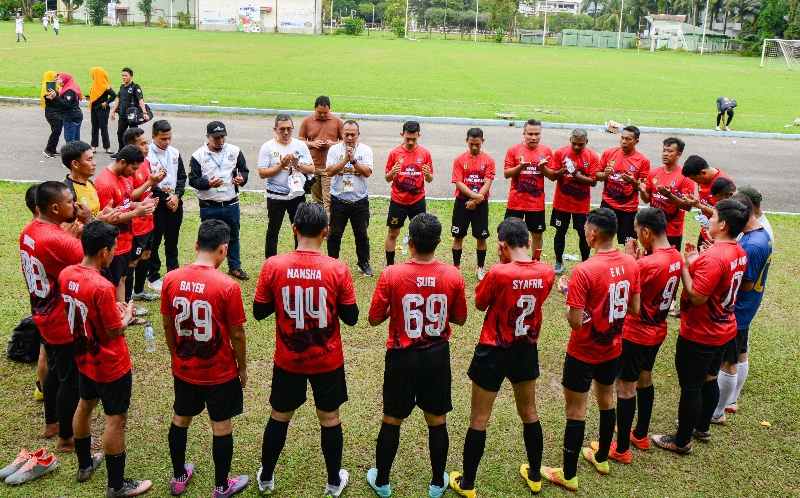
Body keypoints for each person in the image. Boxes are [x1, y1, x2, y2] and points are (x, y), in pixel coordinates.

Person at [253, 203, 358, 497]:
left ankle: (266, 478)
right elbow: (351, 318)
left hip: (289, 359)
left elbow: (259, 311)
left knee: (279, 415)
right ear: (326, 231)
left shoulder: (273, 265)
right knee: (330, 418)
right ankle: (334, 482)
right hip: (327, 359)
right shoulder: (337, 268)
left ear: (294, 229)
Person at [449, 218, 555, 497]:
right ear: (529, 242)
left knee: (479, 418)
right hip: (525, 348)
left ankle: (468, 483)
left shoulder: (498, 272)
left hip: (493, 349)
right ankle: (535, 475)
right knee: (530, 412)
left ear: (501, 246)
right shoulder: (546, 272)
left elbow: (481, 303)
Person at [367, 213, 467, 498]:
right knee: (437, 420)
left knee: (391, 418)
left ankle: (383, 480)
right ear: (438, 243)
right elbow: (460, 318)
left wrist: (395, 307)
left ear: (409, 242)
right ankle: (437, 482)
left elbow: (374, 319)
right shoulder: (452, 275)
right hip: (436, 355)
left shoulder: (392, 274)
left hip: (401, 356)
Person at [541, 208, 640, 492]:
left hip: (583, 351)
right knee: (607, 398)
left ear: (593, 234)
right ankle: (601, 457)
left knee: (576, 409)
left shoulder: (585, 270)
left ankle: (568, 474)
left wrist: (568, 295)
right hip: (614, 347)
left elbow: (576, 322)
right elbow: (633, 308)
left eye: (586, 228)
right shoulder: (630, 263)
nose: (584, 231)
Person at [61, 220, 152, 497]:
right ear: (103, 252)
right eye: (113, 249)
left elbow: (89, 310)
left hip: (84, 355)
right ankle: (116, 485)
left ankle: (85, 465)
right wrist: (126, 315)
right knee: (116, 419)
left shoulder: (66, 274)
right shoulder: (101, 285)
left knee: (85, 404)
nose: (114, 253)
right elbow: (114, 330)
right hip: (110, 363)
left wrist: (113, 309)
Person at [652, 198, 749, 453]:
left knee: (691, 386)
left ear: (724, 224)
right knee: (709, 378)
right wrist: (698, 259)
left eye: (713, 217)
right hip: (724, 328)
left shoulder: (715, 257)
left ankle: (681, 440)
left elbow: (697, 296)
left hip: (701, 332)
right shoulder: (738, 251)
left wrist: (686, 266)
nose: (709, 220)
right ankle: (703, 426)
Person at [161, 220, 249, 497]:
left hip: (185, 366)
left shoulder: (171, 278)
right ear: (223, 250)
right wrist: (242, 367)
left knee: (180, 418)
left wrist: (175, 354)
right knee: (221, 425)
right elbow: (237, 334)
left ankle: (178, 477)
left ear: (197, 244)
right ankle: (222, 485)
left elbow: (166, 323)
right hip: (219, 371)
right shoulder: (227, 286)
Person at [604, 208, 682, 463]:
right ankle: (640, 433)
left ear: (646, 231)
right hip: (657, 330)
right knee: (645, 379)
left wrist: (631, 261)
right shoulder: (675, 257)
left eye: (638, 231)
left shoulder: (646, 264)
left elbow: (624, 292)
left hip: (636, 333)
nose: (636, 236)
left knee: (625, 388)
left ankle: (622, 448)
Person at [19, 181, 87, 451]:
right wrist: (87, 224)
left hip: (42, 310)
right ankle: (67, 438)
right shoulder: (58, 239)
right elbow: (92, 260)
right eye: (71, 202)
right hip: (61, 317)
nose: (75, 205)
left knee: (56, 369)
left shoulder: (30, 231)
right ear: (56, 207)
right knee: (70, 378)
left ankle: (51, 423)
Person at [712, 192, 771, 422]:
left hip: (739, 310)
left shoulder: (753, 244)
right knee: (740, 353)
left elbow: (745, 284)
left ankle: (717, 412)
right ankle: (731, 400)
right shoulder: (758, 235)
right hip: (746, 308)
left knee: (729, 361)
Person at [94, 145, 157, 301]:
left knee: (122, 278)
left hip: (126, 240)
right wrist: (136, 213)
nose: (134, 173)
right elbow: (108, 218)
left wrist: (141, 205)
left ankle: (123, 312)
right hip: (113, 243)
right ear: (122, 162)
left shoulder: (125, 177)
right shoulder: (105, 183)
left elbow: (125, 203)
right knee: (112, 282)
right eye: (133, 168)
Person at [189, 121, 249, 280]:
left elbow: (244, 170)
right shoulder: (198, 155)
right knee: (209, 238)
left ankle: (235, 267)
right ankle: (208, 268)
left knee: (233, 236)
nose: (220, 141)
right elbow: (193, 180)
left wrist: (241, 179)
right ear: (208, 137)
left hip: (231, 203)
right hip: (209, 205)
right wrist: (208, 184)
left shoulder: (235, 151)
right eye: (216, 138)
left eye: (222, 137)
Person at [257, 114, 314, 259]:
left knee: (300, 229)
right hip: (275, 196)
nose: (286, 132)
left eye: (289, 129)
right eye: (282, 129)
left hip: (296, 195)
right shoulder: (267, 147)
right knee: (273, 230)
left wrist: (297, 165)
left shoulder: (300, 145)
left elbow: (312, 169)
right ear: (275, 129)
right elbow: (262, 173)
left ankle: (300, 260)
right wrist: (281, 165)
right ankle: (270, 261)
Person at [325, 119, 374, 276]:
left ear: (358, 135)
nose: (350, 138)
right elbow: (329, 171)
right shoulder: (334, 150)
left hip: (359, 200)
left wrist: (353, 161)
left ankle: (363, 263)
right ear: (342, 134)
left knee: (361, 234)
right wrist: (345, 160)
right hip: (339, 200)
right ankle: (332, 263)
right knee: (334, 234)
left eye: (353, 134)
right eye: (347, 134)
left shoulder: (365, 150)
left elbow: (367, 172)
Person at [123, 127, 166, 303]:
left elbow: (147, 188)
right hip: (136, 224)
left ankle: (139, 291)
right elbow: (129, 195)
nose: (147, 147)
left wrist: (155, 187)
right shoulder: (128, 167)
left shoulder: (145, 162)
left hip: (149, 219)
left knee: (146, 255)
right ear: (131, 145)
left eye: (146, 142)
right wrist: (150, 182)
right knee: (132, 262)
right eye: (142, 143)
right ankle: (127, 299)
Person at [503, 119, 556, 257]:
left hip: (536, 204)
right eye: (530, 134)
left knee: (537, 234)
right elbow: (506, 174)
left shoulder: (546, 151)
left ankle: (536, 262)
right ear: (524, 133)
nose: (533, 137)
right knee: (509, 233)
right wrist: (520, 167)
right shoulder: (513, 150)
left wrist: (543, 168)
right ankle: (508, 263)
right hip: (516, 202)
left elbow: (552, 176)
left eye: (537, 134)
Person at [550, 128, 599, 273]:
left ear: (586, 142)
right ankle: (559, 262)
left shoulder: (592, 156)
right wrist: (562, 171)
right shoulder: (560, 153)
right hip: (561, 203)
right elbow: (553, 176)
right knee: (560, 232)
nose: (577, 147)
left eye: (581, 144)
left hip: (581, 205)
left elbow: (593, 181)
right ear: (570, 140)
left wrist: (576, 175)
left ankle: (585, 263)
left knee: (584, 234)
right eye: (574, 144)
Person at [384, 121, 433, 266]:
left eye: (414, 139)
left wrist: (428, 174)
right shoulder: (394, 153)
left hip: (417, 200)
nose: (411, 142)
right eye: (407, 139)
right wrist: (392, 173)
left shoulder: (425, 154)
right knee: (393, 233)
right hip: (398, 200)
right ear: (402, 135)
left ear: (419, 135)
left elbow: (430, 179)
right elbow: (387, 178)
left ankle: (417, 263)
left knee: (420, 233)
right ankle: (390, 266)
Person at [450, 127, 495, 281]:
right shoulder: (459, 160)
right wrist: (474, 196)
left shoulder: (489, 160)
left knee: (481, 238)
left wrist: (476, 200)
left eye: (477, 144)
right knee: (458, 237)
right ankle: (456, 268)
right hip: (462, 202)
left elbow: (488, 182)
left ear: (483, 141)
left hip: (481, 204)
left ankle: (480, 268)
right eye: (471, 144)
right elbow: (458, 182)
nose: (474, 147)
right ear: (466, 141)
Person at [147, 119, 187, 291]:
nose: (167, 142)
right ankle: (153, 276)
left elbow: (182, 177)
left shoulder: (175, 153)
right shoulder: (147, 155)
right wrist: (166, 198)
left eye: (169, 138)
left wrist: (177, 196)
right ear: (154, 136)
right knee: (154, 241)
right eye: (163, 139)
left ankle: (173, 273)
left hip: (175, 203)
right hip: (157, 203)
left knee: (172, 241)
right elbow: (148, 182)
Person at [595, 126, 651, 245]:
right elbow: (596, 175)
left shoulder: (643, 161)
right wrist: (605, 174)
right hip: (607, 204)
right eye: (622, 138)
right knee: (601, 239)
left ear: (636, 141)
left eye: (628, 139)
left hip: (628, 209)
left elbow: (643, 187)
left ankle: (629, 263)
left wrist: (633, 182)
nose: (624, 141)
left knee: (629, 243)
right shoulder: (609, 153)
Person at [639, 137, 695, 249]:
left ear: (679, 154)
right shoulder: (654, 173)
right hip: (653, 228)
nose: (665, 154)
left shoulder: (685, 178)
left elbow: (688, 207)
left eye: (670, 151)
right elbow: (646, 199)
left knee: (669, 263)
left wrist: (669, 195)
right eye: (664, 150)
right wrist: (641, 190)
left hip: (672, 231)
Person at [299, 95, 343, 213]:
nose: (323, 115)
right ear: (314, 109)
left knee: (328, 200)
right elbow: (300, 140)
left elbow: (345, 141)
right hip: (313, 167)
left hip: (329, 168)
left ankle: (328, 227)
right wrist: (313, 144)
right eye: (320, 113)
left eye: (325, 113)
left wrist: (333, 144)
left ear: (330, 109)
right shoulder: (307, 121)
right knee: (316, 200)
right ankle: (319, 224)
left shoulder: (337, 122)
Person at [111, 67, 148, 152]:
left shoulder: (135, 87)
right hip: (122, 115)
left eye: (125, 75)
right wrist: (113, 111)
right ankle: (121, 151)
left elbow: (140, 100)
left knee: (134, 135)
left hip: (132, 116)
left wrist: (144, 112)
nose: (124, 77)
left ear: (131, 76)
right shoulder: (122, 87)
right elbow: (118, 99)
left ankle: (135, 151)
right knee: (120, 133)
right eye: (122, 75)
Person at [46, 73, 83, 143]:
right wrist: (56, 94)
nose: (58, 82)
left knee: (70, 140)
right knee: (76, 140)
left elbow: (66, 104)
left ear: (65, 80)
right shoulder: (69, 87)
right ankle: (76, 153)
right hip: (75, 115)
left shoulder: (69, 90)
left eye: (60, 80)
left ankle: (71, 153)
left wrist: (55, 97)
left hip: (71, 117)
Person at [88, 67, 116, 155]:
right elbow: (94, 96)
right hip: (94, 108)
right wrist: (89, 98)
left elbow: (113, 95)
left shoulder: (105, 85)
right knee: (94, 127)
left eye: (93, 74)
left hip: (102, 109)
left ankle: (107, 147)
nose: (92, 76)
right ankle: (93, 146)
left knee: (103, 127)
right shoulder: (94, 85)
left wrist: (106, 102)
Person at [41, 70, 62, 158]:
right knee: (56, 130)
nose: (56, 78)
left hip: (56, 112)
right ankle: (48, 150)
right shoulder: (47, 88)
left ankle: (53, 149)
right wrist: (56, 94)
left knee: (57, 130)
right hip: (52, 113)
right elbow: (49, 97)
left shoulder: (55, 86)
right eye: (54, 77)